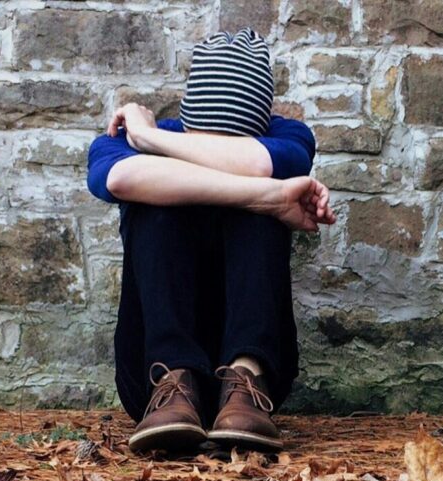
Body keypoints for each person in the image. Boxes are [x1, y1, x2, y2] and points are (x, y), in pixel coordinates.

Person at [86, 28, 334, 454]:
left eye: (229, 146)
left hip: (255, 378)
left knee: (262, 207)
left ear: (261, 125)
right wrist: (269, 196)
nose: (214, 153)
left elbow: (259, 165)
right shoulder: (118, 143)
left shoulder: (290, 138)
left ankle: (245, 377)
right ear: (187, 123)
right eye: (202, 141)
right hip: (149, 371)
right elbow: (121, 179)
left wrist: (150, 140)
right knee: (158, 205)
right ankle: (174, 379)